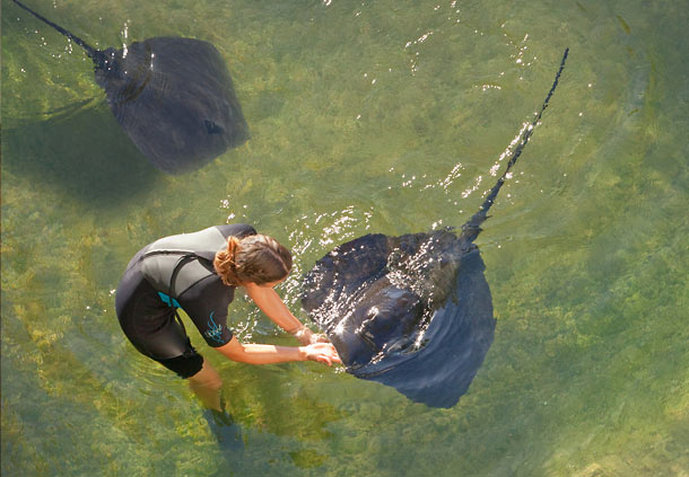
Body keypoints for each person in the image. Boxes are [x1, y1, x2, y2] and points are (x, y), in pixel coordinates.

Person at [115, 223, 341, 413]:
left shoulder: (243, 237)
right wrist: (303, 354)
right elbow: (236, 352)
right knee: (210, 380)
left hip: (156, 265)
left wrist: (304, 334)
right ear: (247, 279)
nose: (274, 288)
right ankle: (217, 416)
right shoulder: (206, 293)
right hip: (141, 315)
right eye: (274, 284)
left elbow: (259, 289)